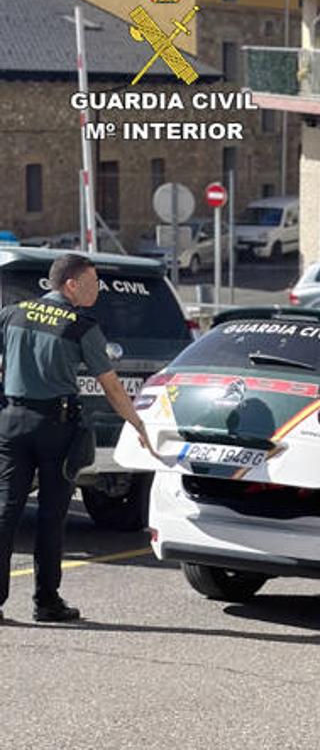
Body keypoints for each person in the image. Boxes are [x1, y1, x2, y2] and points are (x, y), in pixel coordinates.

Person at [0, 253, 153, 623]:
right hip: (56, 428)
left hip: (11, 424)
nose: (97, 289)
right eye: (93, 282)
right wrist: (137, 424)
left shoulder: (12, 313)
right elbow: (112, 387)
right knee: (52, 517)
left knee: (5, 511)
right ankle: (47, 601)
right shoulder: (81, 326)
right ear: (71, 284)